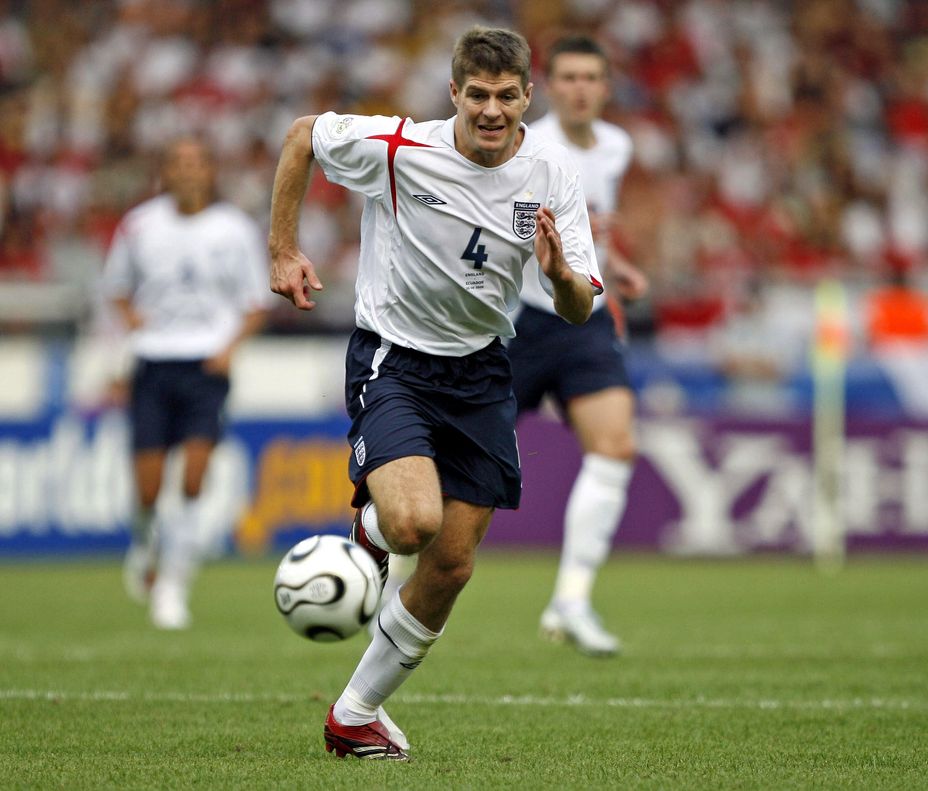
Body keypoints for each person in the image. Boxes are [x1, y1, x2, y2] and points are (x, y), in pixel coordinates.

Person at [267, 26, 603, 761]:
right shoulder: (400, 148)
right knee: (414, 522)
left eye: (506, 95)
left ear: (528, 96)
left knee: (452, 565)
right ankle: (374, 535)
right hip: (394, 361)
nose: (491, 110)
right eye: (477, 95)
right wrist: (284, 249)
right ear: (453, 93)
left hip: (482, 373)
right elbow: (301, 137)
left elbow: (580, 307)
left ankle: (355, 715)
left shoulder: (552, 175)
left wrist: (559, 278)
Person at [507, 35, 646, 657]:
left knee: (615, 446)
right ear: (548, 87)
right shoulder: (526, 146)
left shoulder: (617, 146)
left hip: (584, 317)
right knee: (454, 466)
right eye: (568, 77)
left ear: (606, 86)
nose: (580, 88)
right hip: (518, 321)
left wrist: (616, 268)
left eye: (591, 77)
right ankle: (395, 580)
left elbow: (593, 230)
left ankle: (571, 600)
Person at [102, 137, 269, 630]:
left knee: (194, 477)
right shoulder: (140, 225)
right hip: (154, 364)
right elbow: (116, 288)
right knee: (148, 488)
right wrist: (135, 325)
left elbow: (255, 302)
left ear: (210, 171)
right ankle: (143, 544)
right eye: (178, 162)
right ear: (166, 172)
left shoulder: (234, 229)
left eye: (197, 162)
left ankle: (174, 585)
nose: (188, 171)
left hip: (206, 367)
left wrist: (229, 348)